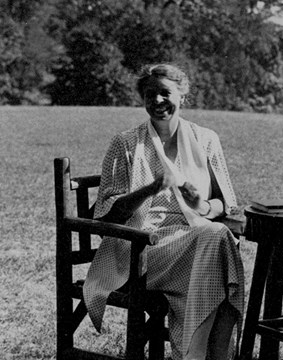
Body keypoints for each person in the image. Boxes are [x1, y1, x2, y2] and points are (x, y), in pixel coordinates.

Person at [83, 64, 244, 360]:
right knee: (218, 243)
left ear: (183, 96)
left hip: (192, 243)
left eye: (165, 93)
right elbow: (107, 215)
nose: (157, 101)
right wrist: (151, 188)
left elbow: (225, 204)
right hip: (139, 252)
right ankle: (213, 354)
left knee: (216, 237)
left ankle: (201, 353)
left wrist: (202, 206)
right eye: (150, 94)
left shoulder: (206, 139)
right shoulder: (126, 143)